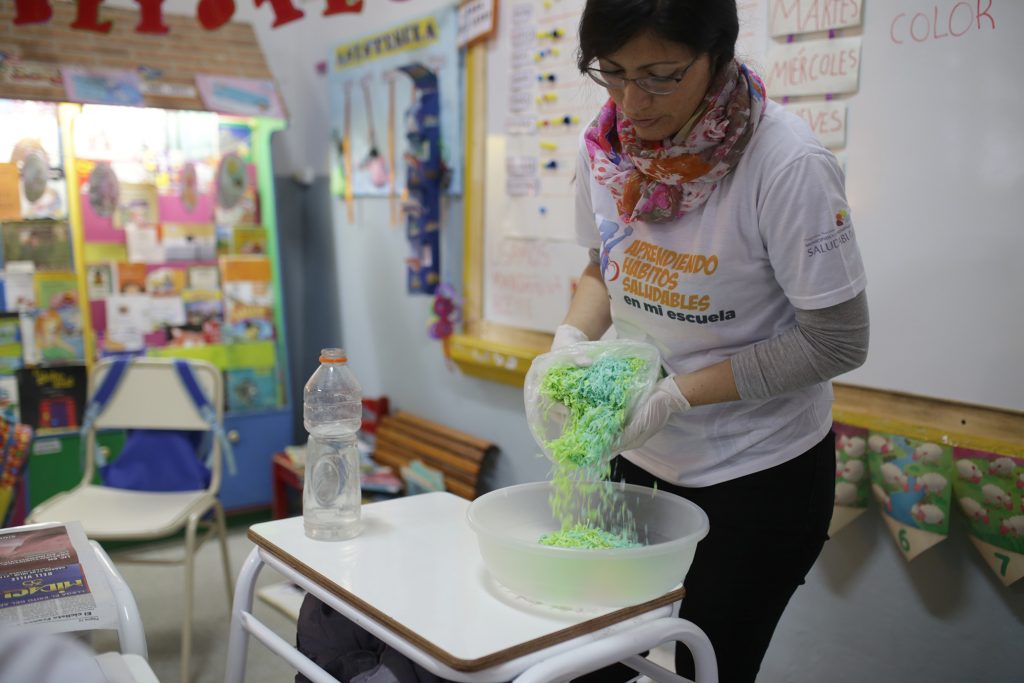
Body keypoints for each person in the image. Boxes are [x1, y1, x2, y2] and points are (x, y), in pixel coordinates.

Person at [554, 0, 868, 681]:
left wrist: (675, 396)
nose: (632, 100)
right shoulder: (605, 149)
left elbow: (837, 341)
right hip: (637, 457)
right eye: (611, 72)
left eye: (661, 75)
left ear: (717, 55)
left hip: (758, 475)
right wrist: (568, 340)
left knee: (710, 665)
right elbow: (603, 267)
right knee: (595, 655)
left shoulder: (785, 164)